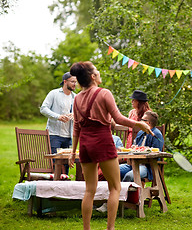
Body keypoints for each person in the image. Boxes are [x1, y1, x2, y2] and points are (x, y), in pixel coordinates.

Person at [68, 61, 152, 230]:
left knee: (89, 190)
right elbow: (120, 119)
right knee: (115, 187)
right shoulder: (104, 93)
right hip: (102, 141)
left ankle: (86, 228)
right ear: (93, 76)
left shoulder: (76, 98)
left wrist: (73, 152)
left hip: (85, 144)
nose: (99, 72)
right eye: (97, 71)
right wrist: (140, 124)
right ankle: (110, 228)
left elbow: (76, 127)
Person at [40, 72, 77, 175]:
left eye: (76, 82)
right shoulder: (54, 93)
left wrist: (74, 115)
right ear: (65, 82)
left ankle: (64, 187)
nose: (75, 84)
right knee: (54, 163)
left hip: (68, 136)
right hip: (54, 134)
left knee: (66, 165)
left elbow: (81, 113)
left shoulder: (76, 97)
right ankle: (52, 186)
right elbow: (43, 109)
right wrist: (58, 116)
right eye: (72, 81)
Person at [120, 111, 164, 182]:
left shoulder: (156, 134)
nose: (140, 121)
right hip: (133, 164)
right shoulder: (141, 132)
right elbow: (134, 146)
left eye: (142, 120)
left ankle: (124, 192)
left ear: (148, 123)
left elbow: (157, 153)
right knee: (113, 171)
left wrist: (146, 150)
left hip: (147, 167)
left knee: (129, 176)